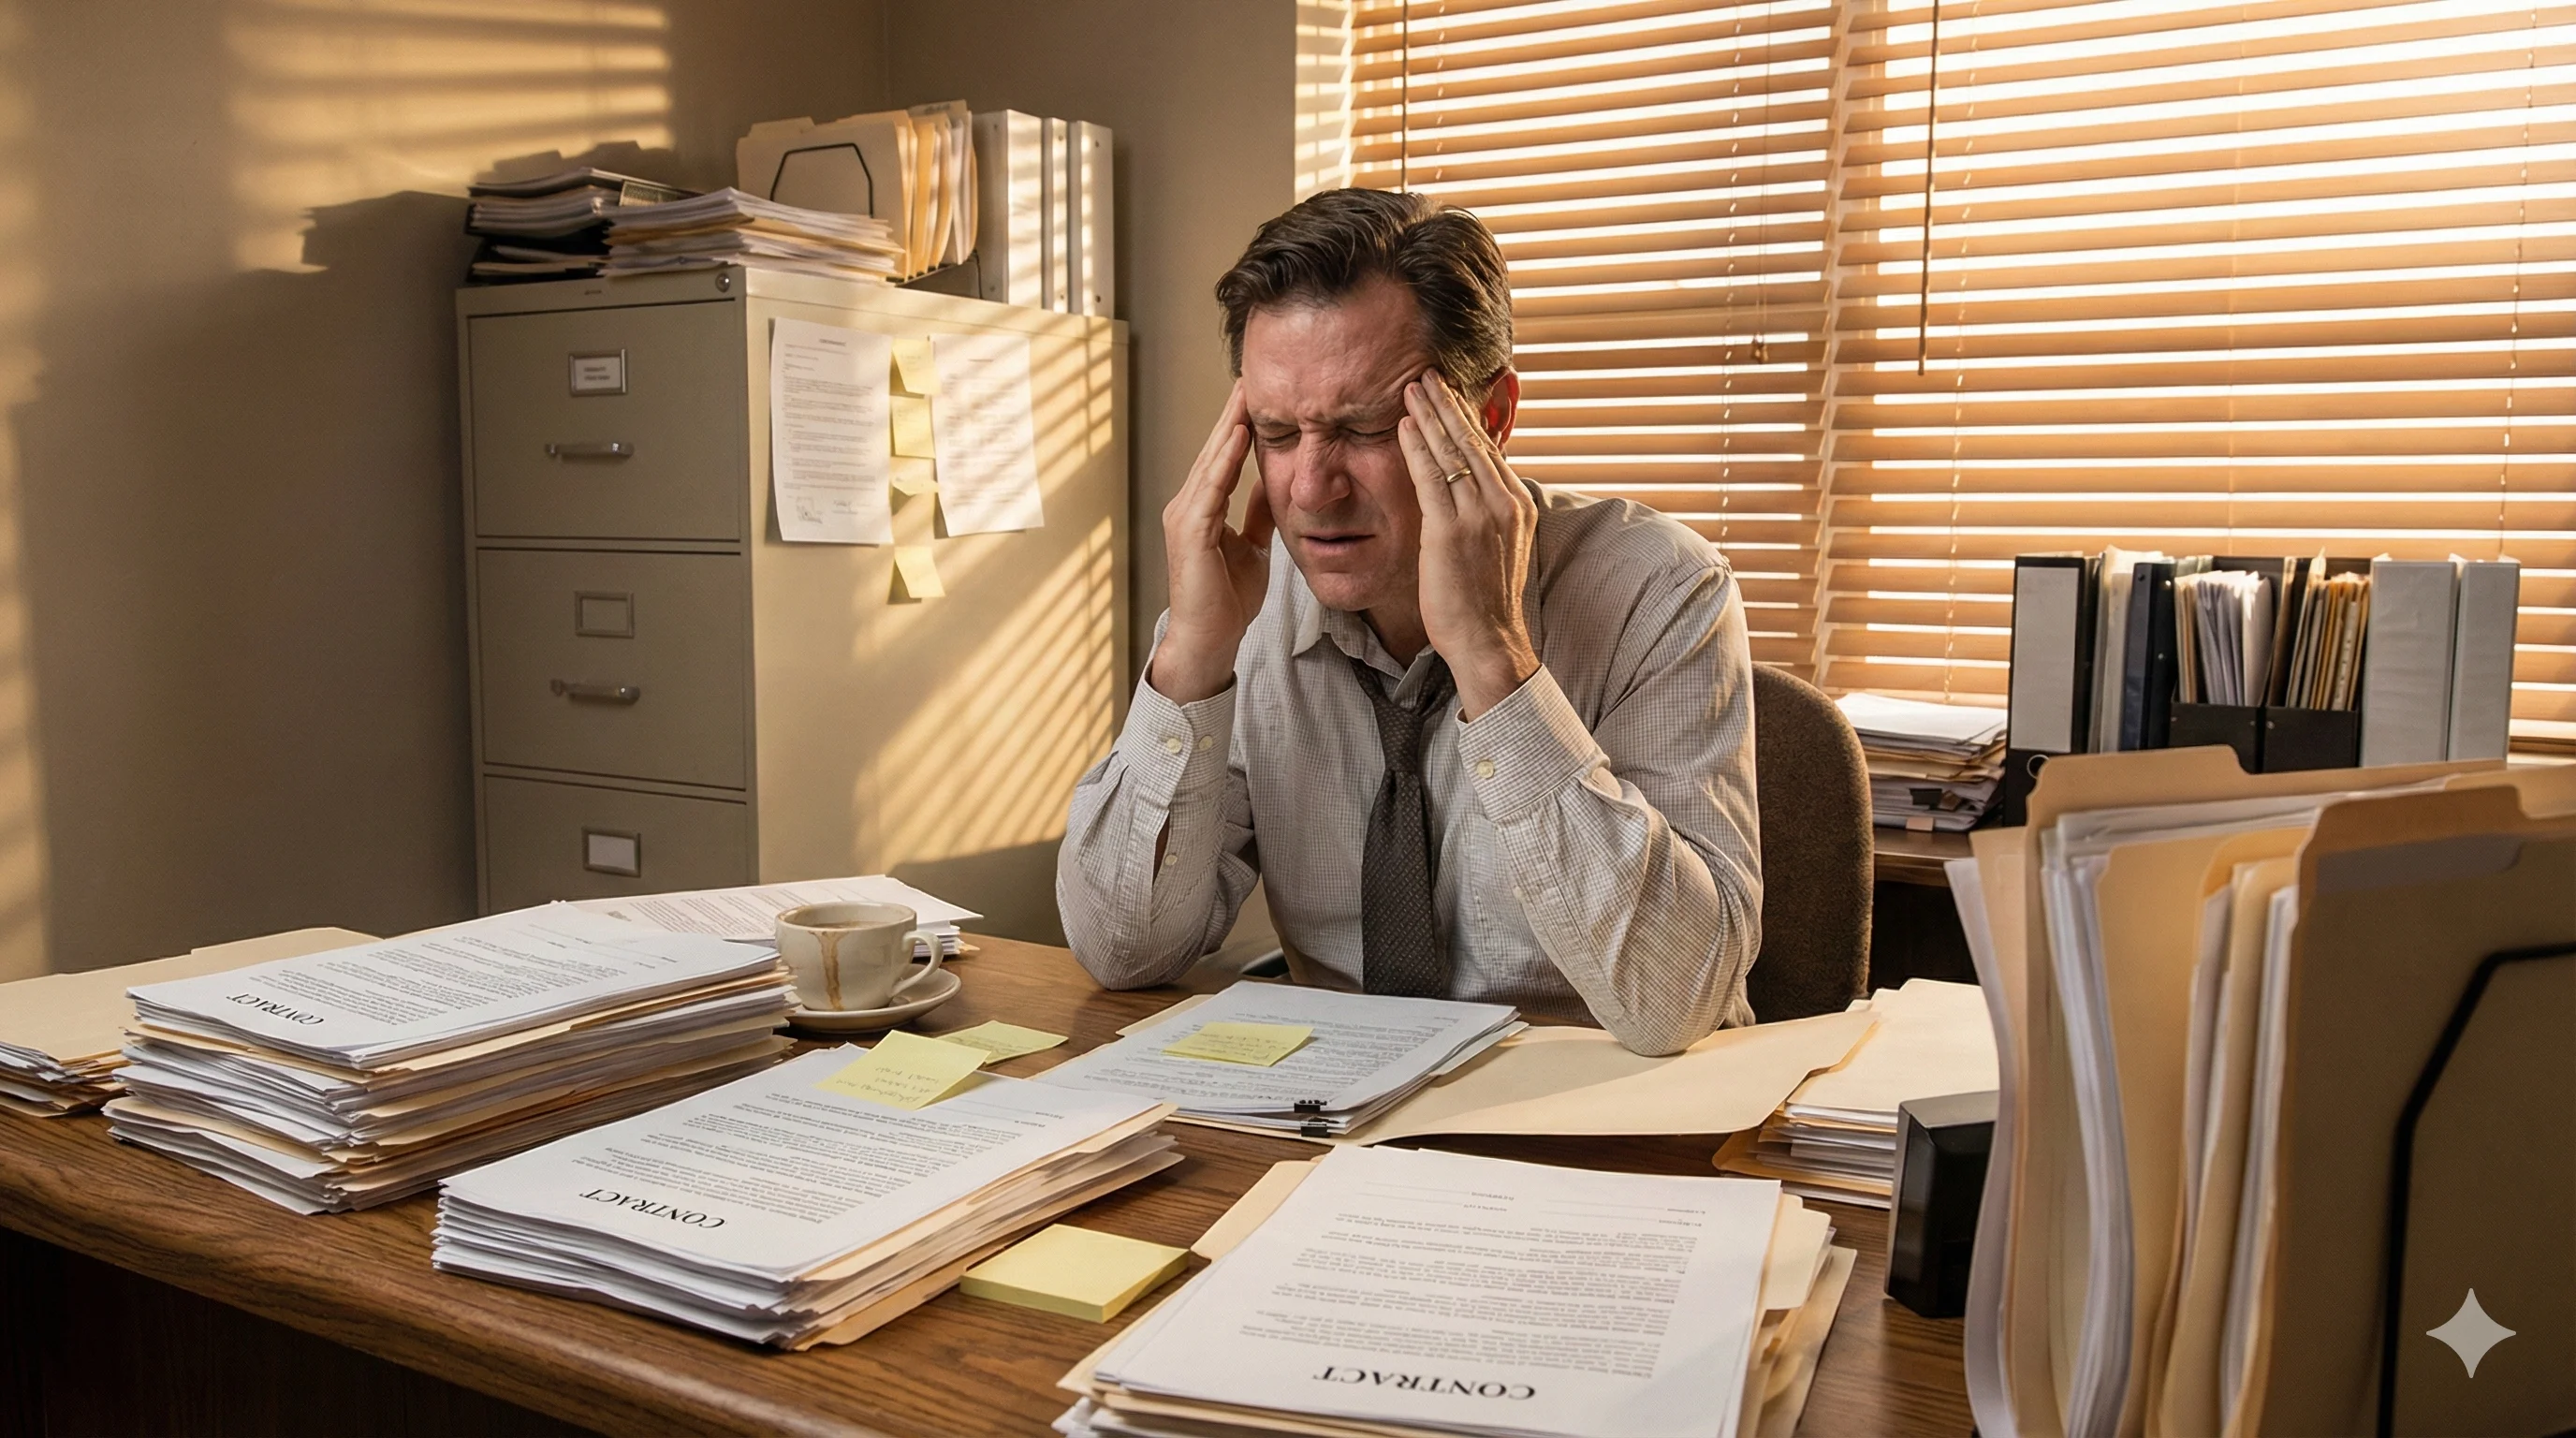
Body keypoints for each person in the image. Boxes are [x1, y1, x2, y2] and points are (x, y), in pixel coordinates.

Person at [1055, 188, 1761, 1055]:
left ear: (1491, 419)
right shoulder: (1246, 605)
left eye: (1364, 427)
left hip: (1590, 1131)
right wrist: (1192, 660)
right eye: (1276, 434)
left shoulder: (1660, 590)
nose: (1311, 490)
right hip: (1333, 1118)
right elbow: (1120, 951)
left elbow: (1675, 1003)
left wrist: (1493, 658)